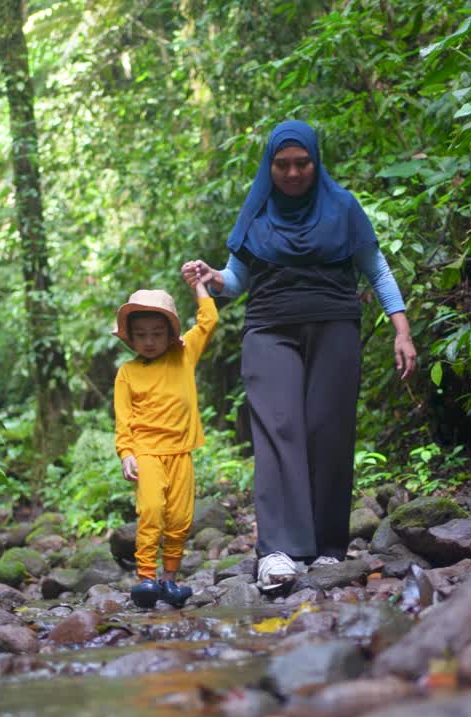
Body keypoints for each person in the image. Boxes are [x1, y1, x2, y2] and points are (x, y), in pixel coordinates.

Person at [181, 119, 417, 591]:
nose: (292, 173)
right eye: (282, 164)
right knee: (279, 428)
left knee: (327, 432)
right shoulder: (258, 213)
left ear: (315, 161)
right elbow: (237, 280)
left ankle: (329, 550)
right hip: (269, 327)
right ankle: (278, 552)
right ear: (269, 166)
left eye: (301, 163)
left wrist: (402, 331)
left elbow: (376, 270)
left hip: (335, 325)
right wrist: (213, 277)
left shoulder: (343, 208)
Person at [112, 275, 218, 609]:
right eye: (141, 335)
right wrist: (126, 452)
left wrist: (199, 285)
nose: (149, 341)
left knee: (180, 518)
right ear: (130, 338)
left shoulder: (183, 356)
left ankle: (169, 580)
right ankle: (145, 576)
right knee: (152, 510)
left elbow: (209, 320)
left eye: (157, 334)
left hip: (180, 452)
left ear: (170, 334)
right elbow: (124, 418)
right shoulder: (127, 373)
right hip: (146, 452)